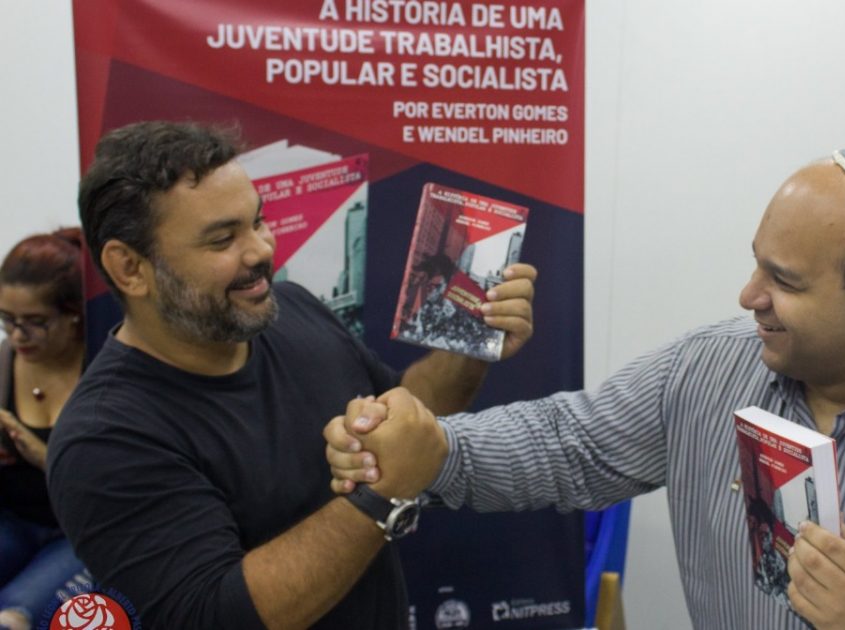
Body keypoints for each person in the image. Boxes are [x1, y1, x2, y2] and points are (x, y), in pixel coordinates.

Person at [326, 147, 845, 629]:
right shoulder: (708, 370)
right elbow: (566, 445)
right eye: (756, 261)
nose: (748, 295)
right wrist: (432, 449)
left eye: (784, 281)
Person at [46, 120, 536, 630]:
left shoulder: (294, 308)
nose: (261, 250)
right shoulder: (104, 439)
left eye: (257, 221)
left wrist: (471, 342)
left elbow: (409, 415)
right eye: (222, 239)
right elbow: (216, 615)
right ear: (129, 268)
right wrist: (382, 497)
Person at [0, 229, 92, 630]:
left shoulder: (106, 370)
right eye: (7, 320)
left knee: (14, 616)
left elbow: (124, 489)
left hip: (83, 532)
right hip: (16, 518)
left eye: (36, 323)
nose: (18, 336)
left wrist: (43, 458)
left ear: (73, 313)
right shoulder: (5, 363)